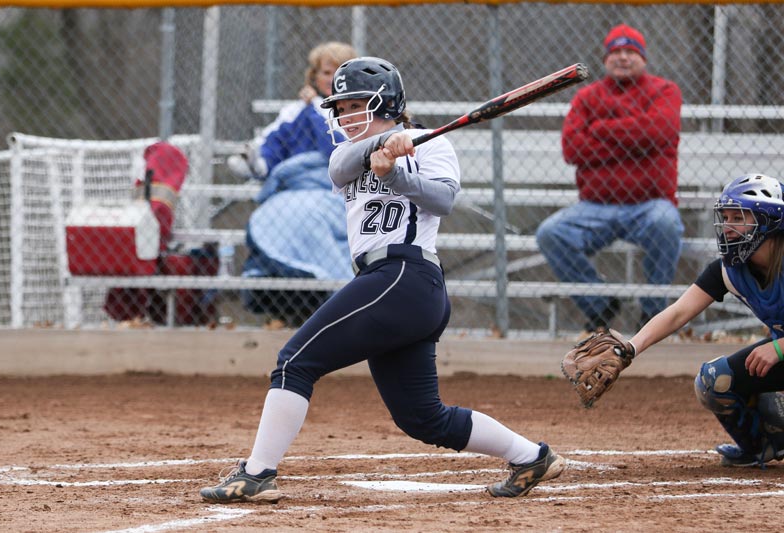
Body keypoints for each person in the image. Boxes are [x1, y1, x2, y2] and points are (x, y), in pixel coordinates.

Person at [199, 57, 566, 503]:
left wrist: (396, 169)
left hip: (405, 277)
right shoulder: (348, 156)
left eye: (357, 104)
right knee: (422, 418)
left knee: (295, 362)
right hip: (390, 286)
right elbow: (340, 166)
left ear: (387, 102)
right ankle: (533, 456)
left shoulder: (429, 144)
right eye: (342, 107)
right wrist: (384, 144)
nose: (346, 115)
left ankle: (256, 473)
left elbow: (444, 200)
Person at [624, 173, 784, 468]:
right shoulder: (732, 270)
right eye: (726, 217)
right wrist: (629, 349)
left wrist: (779, 347)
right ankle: (761, 445)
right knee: (714, 380)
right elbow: (678, 312)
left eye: (740, 217)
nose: (728, 227)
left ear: (768, 221)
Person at [536, 23, 684, 334]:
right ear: (605, 59)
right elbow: (572, 148)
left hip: (650, 206)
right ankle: (600, 305)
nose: (623, 58)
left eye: (631, 51)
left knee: (667, 224)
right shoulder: (588, 96)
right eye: (616, 51)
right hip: (595, 206)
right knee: (551, 233)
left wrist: (601, 130)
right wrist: (637, 141)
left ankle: (654, 315)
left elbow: (659, 131)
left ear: (643, 57)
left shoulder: (664, 90)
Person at [227, 41, 357, 203]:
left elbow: (335, 148)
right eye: (326, 73)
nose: (332, 79)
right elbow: (275, 137)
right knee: (288, 126)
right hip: (296, 184)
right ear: (314, 76)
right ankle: (260, 165)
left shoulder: (357, 112)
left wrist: (314, 107)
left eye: (339, 72)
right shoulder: (299, 108)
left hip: (332, 185)